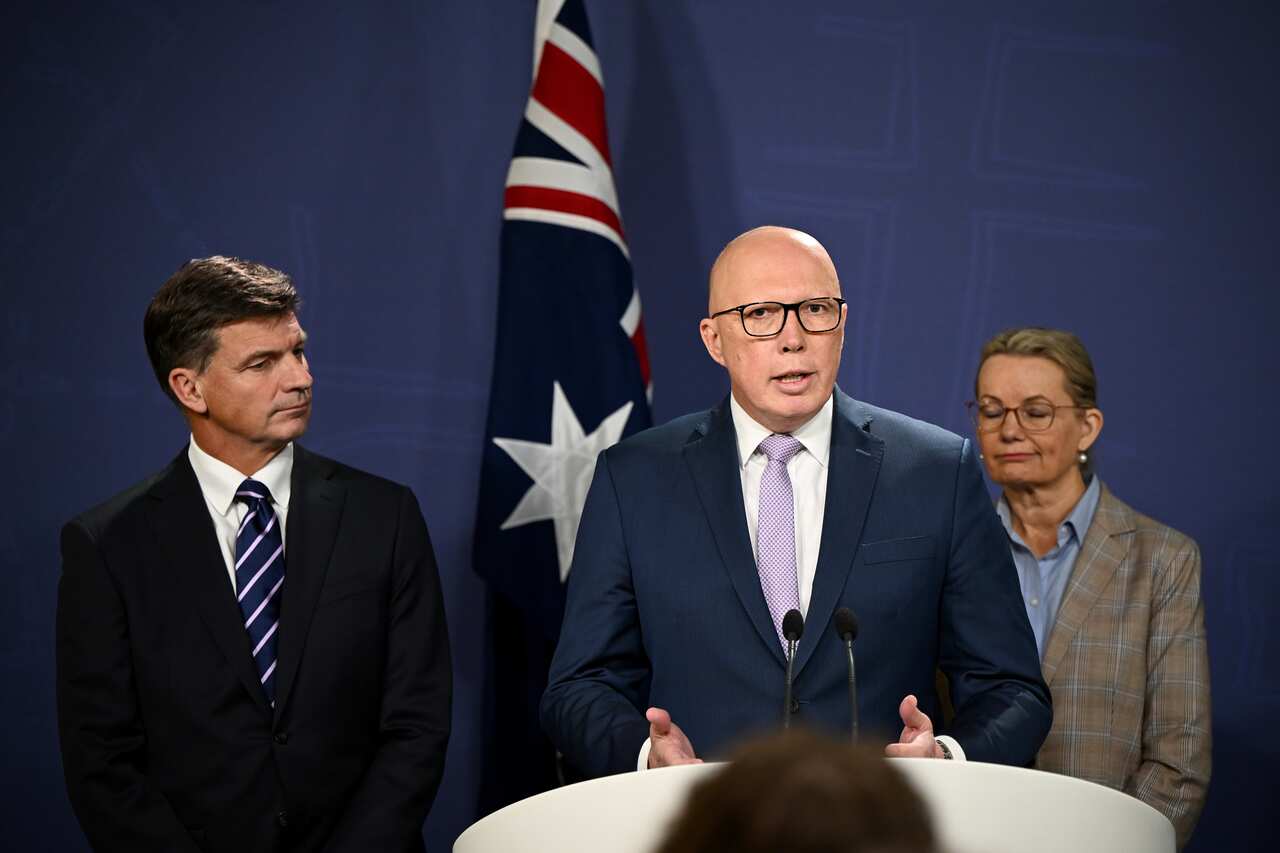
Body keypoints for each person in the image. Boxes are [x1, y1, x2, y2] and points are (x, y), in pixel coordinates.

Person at [541, 226, 1050, 777]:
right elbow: (579, 686)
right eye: (761, 315)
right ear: (714, 340)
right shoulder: (635, 478)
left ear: (843, 325)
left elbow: (1013, 689)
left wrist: (944, 762)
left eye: (815, 309)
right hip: (703, 824)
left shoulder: (935, 471)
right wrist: (647, 755)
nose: (794, 339)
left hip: (881, 825)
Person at [56, 257, 452, 853]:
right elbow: (103, 763)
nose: (299, 378)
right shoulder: (108, 545)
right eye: (262, 363)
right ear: (189, 387)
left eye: (297, 351)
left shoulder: (385, 516)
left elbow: (417, 724)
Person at [970, 327, 1210, 848]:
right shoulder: (954, 554)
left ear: (1087, 426)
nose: (1009, 430)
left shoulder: (1162, 560)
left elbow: (1180, 758)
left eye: (1035, 412)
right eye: (992, 411)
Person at [653, 730, 936, 853]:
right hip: (716, 830)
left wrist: (943, 753)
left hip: (879, 822)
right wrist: (648, 750)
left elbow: (981, 680)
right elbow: (609, 677)